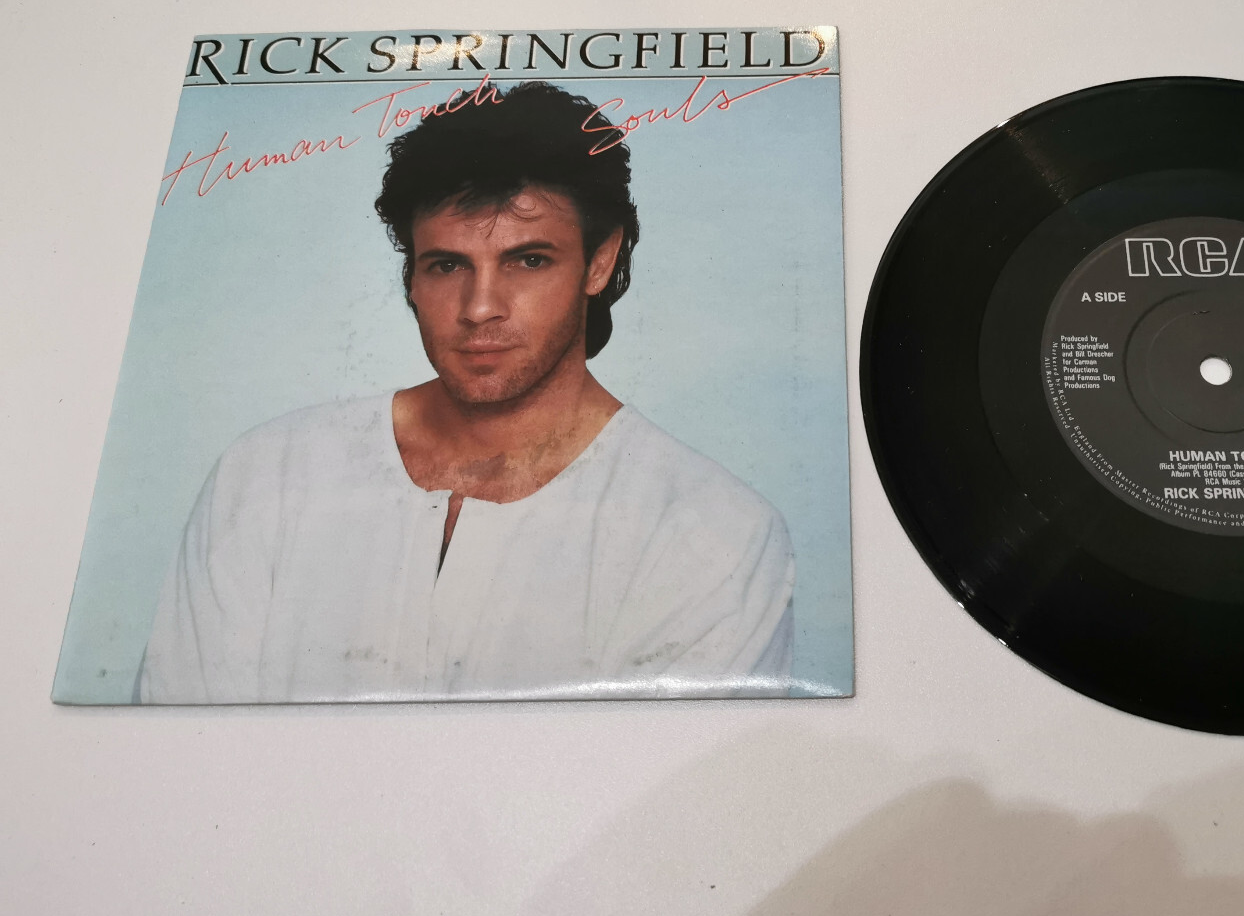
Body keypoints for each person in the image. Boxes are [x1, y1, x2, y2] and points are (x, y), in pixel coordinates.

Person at [139, 81, 794, 703]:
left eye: (528, 260)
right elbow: (180, 751)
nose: (480, 308)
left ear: (600, 261)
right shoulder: (268, 476)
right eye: (448, 265)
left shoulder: (713, 533)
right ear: (412, 276)